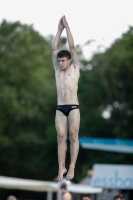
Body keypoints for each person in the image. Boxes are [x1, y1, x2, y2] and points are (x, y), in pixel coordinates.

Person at [52, 15, 80, 181]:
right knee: (61, 136)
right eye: (59, 61)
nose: (60, 63)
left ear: (69, 61)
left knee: (73, 134)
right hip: (60, 107)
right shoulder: (57, 70)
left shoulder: (75, 68)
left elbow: (72, 46)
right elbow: (54, 48)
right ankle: (61, 166)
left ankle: (72, 167)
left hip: (73, 107)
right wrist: (59, 29)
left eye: (63, 61)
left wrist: (67, 27)